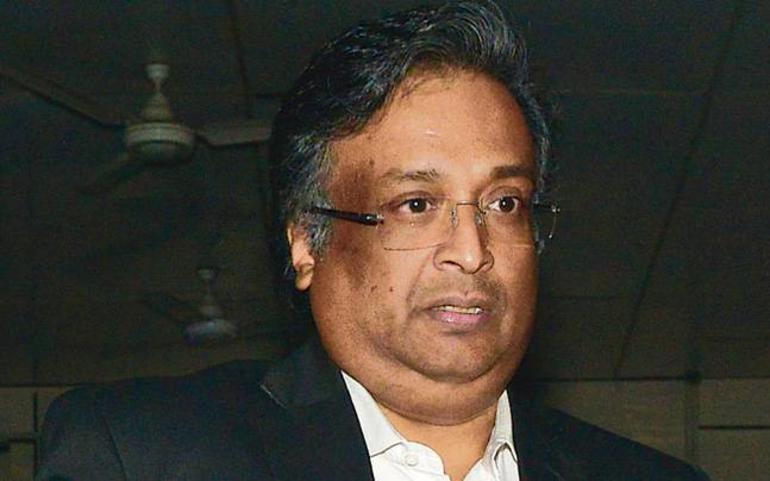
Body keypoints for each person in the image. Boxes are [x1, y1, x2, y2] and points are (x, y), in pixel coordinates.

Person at [36, 2, 709, 480]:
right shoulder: (141, 455)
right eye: (416, 205)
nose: (472, 250)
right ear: (307, 242)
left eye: (504, 203)